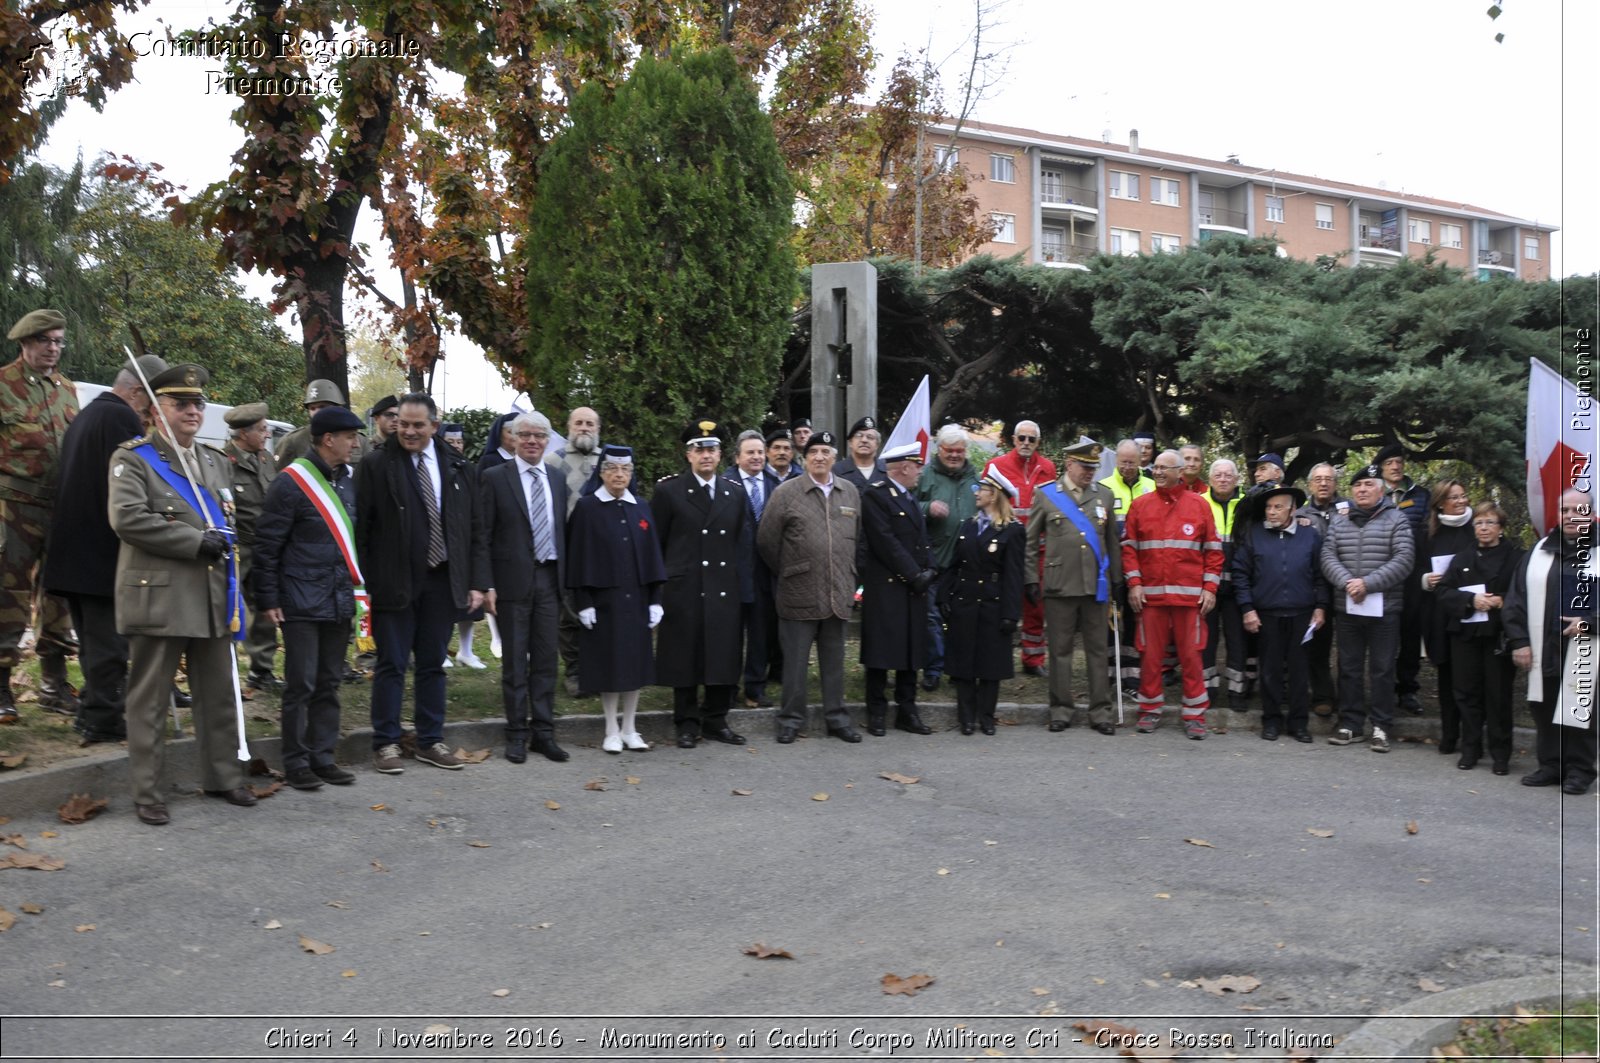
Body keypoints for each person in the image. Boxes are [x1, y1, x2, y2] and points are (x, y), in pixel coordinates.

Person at [109, 362, 251, 825]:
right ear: (155, 409)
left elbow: (229, 521)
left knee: (219, 692)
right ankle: (147, 791)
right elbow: (127, 518)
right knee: (149, 699)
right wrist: (194, 541)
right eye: (181, 403)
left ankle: (224, 776)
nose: (193, 411)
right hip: (161, 596)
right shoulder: (132, 458)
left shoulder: (212, 460)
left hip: (212, 596)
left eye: (198, 404)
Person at [356, 392, 489, 773]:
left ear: (434, 424)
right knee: (392, 664)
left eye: (417, 425)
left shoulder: (458, 466)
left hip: (441, 580)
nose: (408, 431)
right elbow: (362, 530)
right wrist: (367, 581)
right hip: (393, 581)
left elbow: (474, 530)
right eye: (403, 423)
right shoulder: (376, 465)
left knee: (433, 664)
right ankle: (386, 743)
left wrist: (478, 581)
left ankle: (430, 740)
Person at [42, 355, 165, 740]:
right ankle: (104, 720)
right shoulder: (120, 419)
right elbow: (133, 484)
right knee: (110, 646)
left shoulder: (87, 415)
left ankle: (91, 712)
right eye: (150, 398)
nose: (151, 408)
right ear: (134, 391)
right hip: (99, 554)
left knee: (95, 645)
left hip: (72, 552)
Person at [254, 406, 365, 790]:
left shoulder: (349, 482)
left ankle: (323, 756)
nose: (356, 442)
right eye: (350, 436)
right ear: (328, 439)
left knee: (329, 682)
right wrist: (269, 598)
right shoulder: (291, 482)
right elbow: (267, 546)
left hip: (337, 597)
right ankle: (296, 761)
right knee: (300, 683)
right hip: (300, 600)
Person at [0, 309, 79, 724]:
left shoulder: (67, 389)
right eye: (45, 341)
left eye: (58, 341)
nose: (53, 348)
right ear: (25, 343)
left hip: (59, 509)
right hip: (13, 508)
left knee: (59, 595)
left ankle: (54, 685)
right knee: (7, 597)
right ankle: (1, 688)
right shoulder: (2, 385)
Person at [758, 430, 861, 744]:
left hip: (838, 592)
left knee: (834, 662)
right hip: (798, 591)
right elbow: (766, 540)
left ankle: (837, 718)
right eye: (814, 452)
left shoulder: (850, 492)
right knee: (795, 663)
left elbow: (858, 538)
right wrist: (792, 570)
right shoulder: (787, 492)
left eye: (826, 452)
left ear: (834, 458)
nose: (819, 457)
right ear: (804, 458)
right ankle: (790, 719)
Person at [652, 419, 749, 748]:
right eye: (698, 449)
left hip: (723, 584)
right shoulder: (668, 491)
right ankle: (687, 722)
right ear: (687, 454)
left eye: (711, 449)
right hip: (685, 585)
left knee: (722, 652)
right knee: (686, 654)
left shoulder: (734, 493)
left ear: (721, 454)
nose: (705, 455)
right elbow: (658, 542)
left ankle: (716, 719)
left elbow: (740, 540)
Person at [477, 411, 566, 765]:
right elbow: (482, 535)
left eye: (539, 436)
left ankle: (544, 733)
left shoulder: (557, 479)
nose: (532, 441)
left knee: (546, 660)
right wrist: (485, 584)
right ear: (512, 438)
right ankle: (516, 734)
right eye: (525, 435)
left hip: (550, 578)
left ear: (547, 441)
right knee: (515, 662)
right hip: (511, 582)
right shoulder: (495, 478)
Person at [566, 445, 666, 753]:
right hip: (602, 603)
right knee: (608, 666)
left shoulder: (641, 507)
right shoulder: (587, 507)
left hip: (636, 600)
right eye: (612, 469)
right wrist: (583, 602)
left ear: (631, 473)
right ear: (602, 472)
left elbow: (652, 556)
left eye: (625, 470)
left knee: (634, 666)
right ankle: (610, 729)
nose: (619, 475)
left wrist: (655, 600)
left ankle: (630, 728)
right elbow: (578, 557)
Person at [1122, 450, 1222, 740]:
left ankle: (1194, 715)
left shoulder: (1199, 506)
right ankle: (1149, 709)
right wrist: (1135, 584)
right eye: (1156, 468)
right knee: (1150, 657)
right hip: (1150, 598)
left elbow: (1213, 553)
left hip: (1189, 601)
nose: (1158, 472)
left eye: (1165, 468)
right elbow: (1129, 549)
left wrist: (1210, 589)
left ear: (1181, 472)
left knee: (1192, 657)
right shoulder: (1140, 506)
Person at [1505, 488, 1599, 796]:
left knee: (1579, 711)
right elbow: (1516, 599)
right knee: (1543, 709)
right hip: (1543, 645)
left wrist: (1589, 623)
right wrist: (1519, 640)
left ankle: (1580, 771)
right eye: (1564, 511)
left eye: (1577, 510)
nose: (1570, 516)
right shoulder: (1539, 551)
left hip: (1586, 647)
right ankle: (1551, 765)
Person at [1025, 436, 1120, 735]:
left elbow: (1112, 543)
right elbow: (1029, 543)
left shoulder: (1103, 496)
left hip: (1096, 585)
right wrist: (1030, 578)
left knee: (1097, 650)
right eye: (1084, 466)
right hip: (1059, 585)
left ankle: (1101, 712)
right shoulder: (1046, 494)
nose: (1089, 472)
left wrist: (1117, 579)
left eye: (1093, 467)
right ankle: (1061, 710)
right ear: (1068, 464)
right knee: (1060, 650)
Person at [1320, 463, 1415, 752]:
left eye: (1369, 484)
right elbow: (1327, 555)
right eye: (1357, 485)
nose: (1362, 489)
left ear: (1381, 489)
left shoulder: (1396, 518)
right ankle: (1350, 724)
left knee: (1383, 668)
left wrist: (1368, 584)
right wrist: (1348, 582)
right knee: (1348, 667)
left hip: (1384, 609)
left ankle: (1381, 727)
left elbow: (1404, 559)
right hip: (1348, 607)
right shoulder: (1339, 520)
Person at [1233, 483, 1328, 743]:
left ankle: (1299, 724)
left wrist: (1320, 607)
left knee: (1299, 671)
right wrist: (1247, 609)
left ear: (1293, 510)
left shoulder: (1310, 536)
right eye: (1268, 507)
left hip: (1302, 613)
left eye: (1278, 507)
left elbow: (1320, 575)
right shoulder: (1254, 535)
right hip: (1267, 614)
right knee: (1270, 671)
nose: (1272, 512)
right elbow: (1241, 575)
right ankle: (1271, 720)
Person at [1437, 501, 1523, 774]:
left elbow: (1525, 593)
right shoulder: (1462, 557)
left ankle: (1500, 755)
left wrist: (1501, 601)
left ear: (1501, 528)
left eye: (1490, 523)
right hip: (1466, 634)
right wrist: (1470, 600)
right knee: (1466, 693)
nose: (1484, 528)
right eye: (1479, 523)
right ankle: (1471, 749)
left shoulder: (1517, 558)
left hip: (1499, 634)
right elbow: (1444, 592)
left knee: (1498, 696)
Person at [858, 442, 936, 736]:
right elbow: (885, 541)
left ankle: (907, 710)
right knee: (881, 652)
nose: (920, 472)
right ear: (904, 467)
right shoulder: (876, 496)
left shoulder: (910, 498)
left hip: (913, 586)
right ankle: (876, 712)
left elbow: (921, 539)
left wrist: (932, 567)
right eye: (917, 466)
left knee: (910, 650)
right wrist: (915, 574)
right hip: (887, 586)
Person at [940, 468, 1025, 736]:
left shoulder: (1012, 531)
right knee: (964, 662)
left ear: (995, 495)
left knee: (990, 664)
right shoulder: (968, 525)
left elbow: (1014, 575)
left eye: (983, 490)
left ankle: (986, 716)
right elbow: (954, 565)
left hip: (993, 603)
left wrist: (1011, 613)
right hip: (965, 602)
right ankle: (966, 717)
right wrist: (945, 595)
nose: (977, 493)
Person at [986, 419, 1057, 676]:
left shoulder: (1048, 468)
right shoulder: (995, 467)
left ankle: (1033, 659)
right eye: (1021, 438)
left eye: (1031, 439)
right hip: (1004, 549)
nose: (1026, 443)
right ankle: (996, 656)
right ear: (1013, 440)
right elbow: (987, 504)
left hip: (1037, 550)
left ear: (1038, 442)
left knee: (1035, 605)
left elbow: (1052, 508)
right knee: (999, 604)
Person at [222, 403, 282, 694]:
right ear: (243, 433)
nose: (267, 433)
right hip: (236, 548)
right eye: (261, 429)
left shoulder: (267, 459)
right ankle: (226, 671)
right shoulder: (222, 461)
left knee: (263, 608)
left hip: (263, 547)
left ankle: (262, 671)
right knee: (233, 610)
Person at [916, 424, 980, 691]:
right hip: (934, 559)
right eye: (949, 450)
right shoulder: (926, 474)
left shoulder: (974, 476)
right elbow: (907, 505)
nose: (954, 455)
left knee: (961, 618)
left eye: (959, 451)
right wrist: (928, 507)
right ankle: (933, 668)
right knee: (931, 618)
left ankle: (957, 668)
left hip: (965, 563)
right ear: (939, 450)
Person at [725, 429, 782, 710]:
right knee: (730, 635)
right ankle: (726, 688)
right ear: (737, 457)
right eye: (751, 452)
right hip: (732, 573)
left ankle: (755, 688)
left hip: (765, 573)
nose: (757, 457)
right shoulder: (724, 482)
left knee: (761, 634)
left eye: (760, 452)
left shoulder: (776, 484)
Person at [1418, 479, 1474, 754]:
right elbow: (1414, 571)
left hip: (1472, 614)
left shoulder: (1478, 529)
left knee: (1471, 678)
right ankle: (1450, 734)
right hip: (1439, 615)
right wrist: (1426, 580)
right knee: (1447, 677)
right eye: (1455, 497)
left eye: (1463, 496)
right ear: (1440, 503)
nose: (1461, 501)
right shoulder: (1428, 534)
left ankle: (1472, 737)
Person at [1375, 442, 1430, 715]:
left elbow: (1430, 531)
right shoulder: (1372, 493)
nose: (1395, 467)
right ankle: (1379, 689)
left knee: (1410, 634)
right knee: (1381, 634)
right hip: (1379, 575)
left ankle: (1407, 690)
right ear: (1380, 469)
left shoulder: (1420, 495)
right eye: (1389, 463)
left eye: (1399, 461)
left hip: (1412, 576)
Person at [554, 406, 605, 695]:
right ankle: (574, 671)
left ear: (598, 429)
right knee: (570, 614)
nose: (584, 428)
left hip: (604, 552)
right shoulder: (554, 461)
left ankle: (597, 669)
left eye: (590, 423)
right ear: (570, 427)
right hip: (570, 550)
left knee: (600, 613)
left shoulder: (609, 461)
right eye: (579, 423)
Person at [1100, 439, 1155, 695]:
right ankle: (1113, 677)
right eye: (1124, 462)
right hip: (1112, 569)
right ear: (1117, 461)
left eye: (1132, 463)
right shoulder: (1104, 488)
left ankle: (1132, 678)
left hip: (1143, 570)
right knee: (1112, 623)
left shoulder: (1151, 487)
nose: (1128, 467)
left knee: (1135, 623)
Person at [1296, 463, 1348, 717]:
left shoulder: (1350, 510)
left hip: (1347, 585)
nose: (1324, 483)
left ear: (1336, 483)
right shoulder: (1300, 514)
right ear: (1310, 484)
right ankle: (1322, 695)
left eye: (1329, 479)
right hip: (1316, 587)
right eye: (1318, 479)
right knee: (1318, 643)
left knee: (1349, 646)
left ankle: (1349, 698)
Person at [1201, 458, 1251, 708]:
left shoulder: (1247, 504)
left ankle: (1237, 693)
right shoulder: (1199, 502)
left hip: (1238, 588)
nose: (1223, 479)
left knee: (1237, 641)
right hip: (1206, 587)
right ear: (1210, 479)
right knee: (1205, 641)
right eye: (1218, 475)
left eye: (1228, 475)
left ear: (1236, 479)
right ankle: (1206, 691)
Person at [274, 379, 370, 470]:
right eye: (312, 408)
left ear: (338, 407)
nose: (316, 413)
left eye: (322, 407)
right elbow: (281, 478)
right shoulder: (293, 441)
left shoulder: (360, 442)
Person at [833, 415, 884, 490]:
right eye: (859, 436)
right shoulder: (836, 471)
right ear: (850, 442)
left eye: (870, 437)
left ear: (877, 444)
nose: (864, 440)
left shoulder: (887, 470)